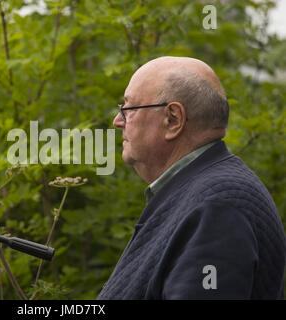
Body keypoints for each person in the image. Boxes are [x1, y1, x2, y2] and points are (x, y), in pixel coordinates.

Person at [97, 56, 286, 299]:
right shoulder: (198, 195)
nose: (117, 121)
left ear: (173, 119)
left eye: (129, 108)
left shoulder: (218, 209)